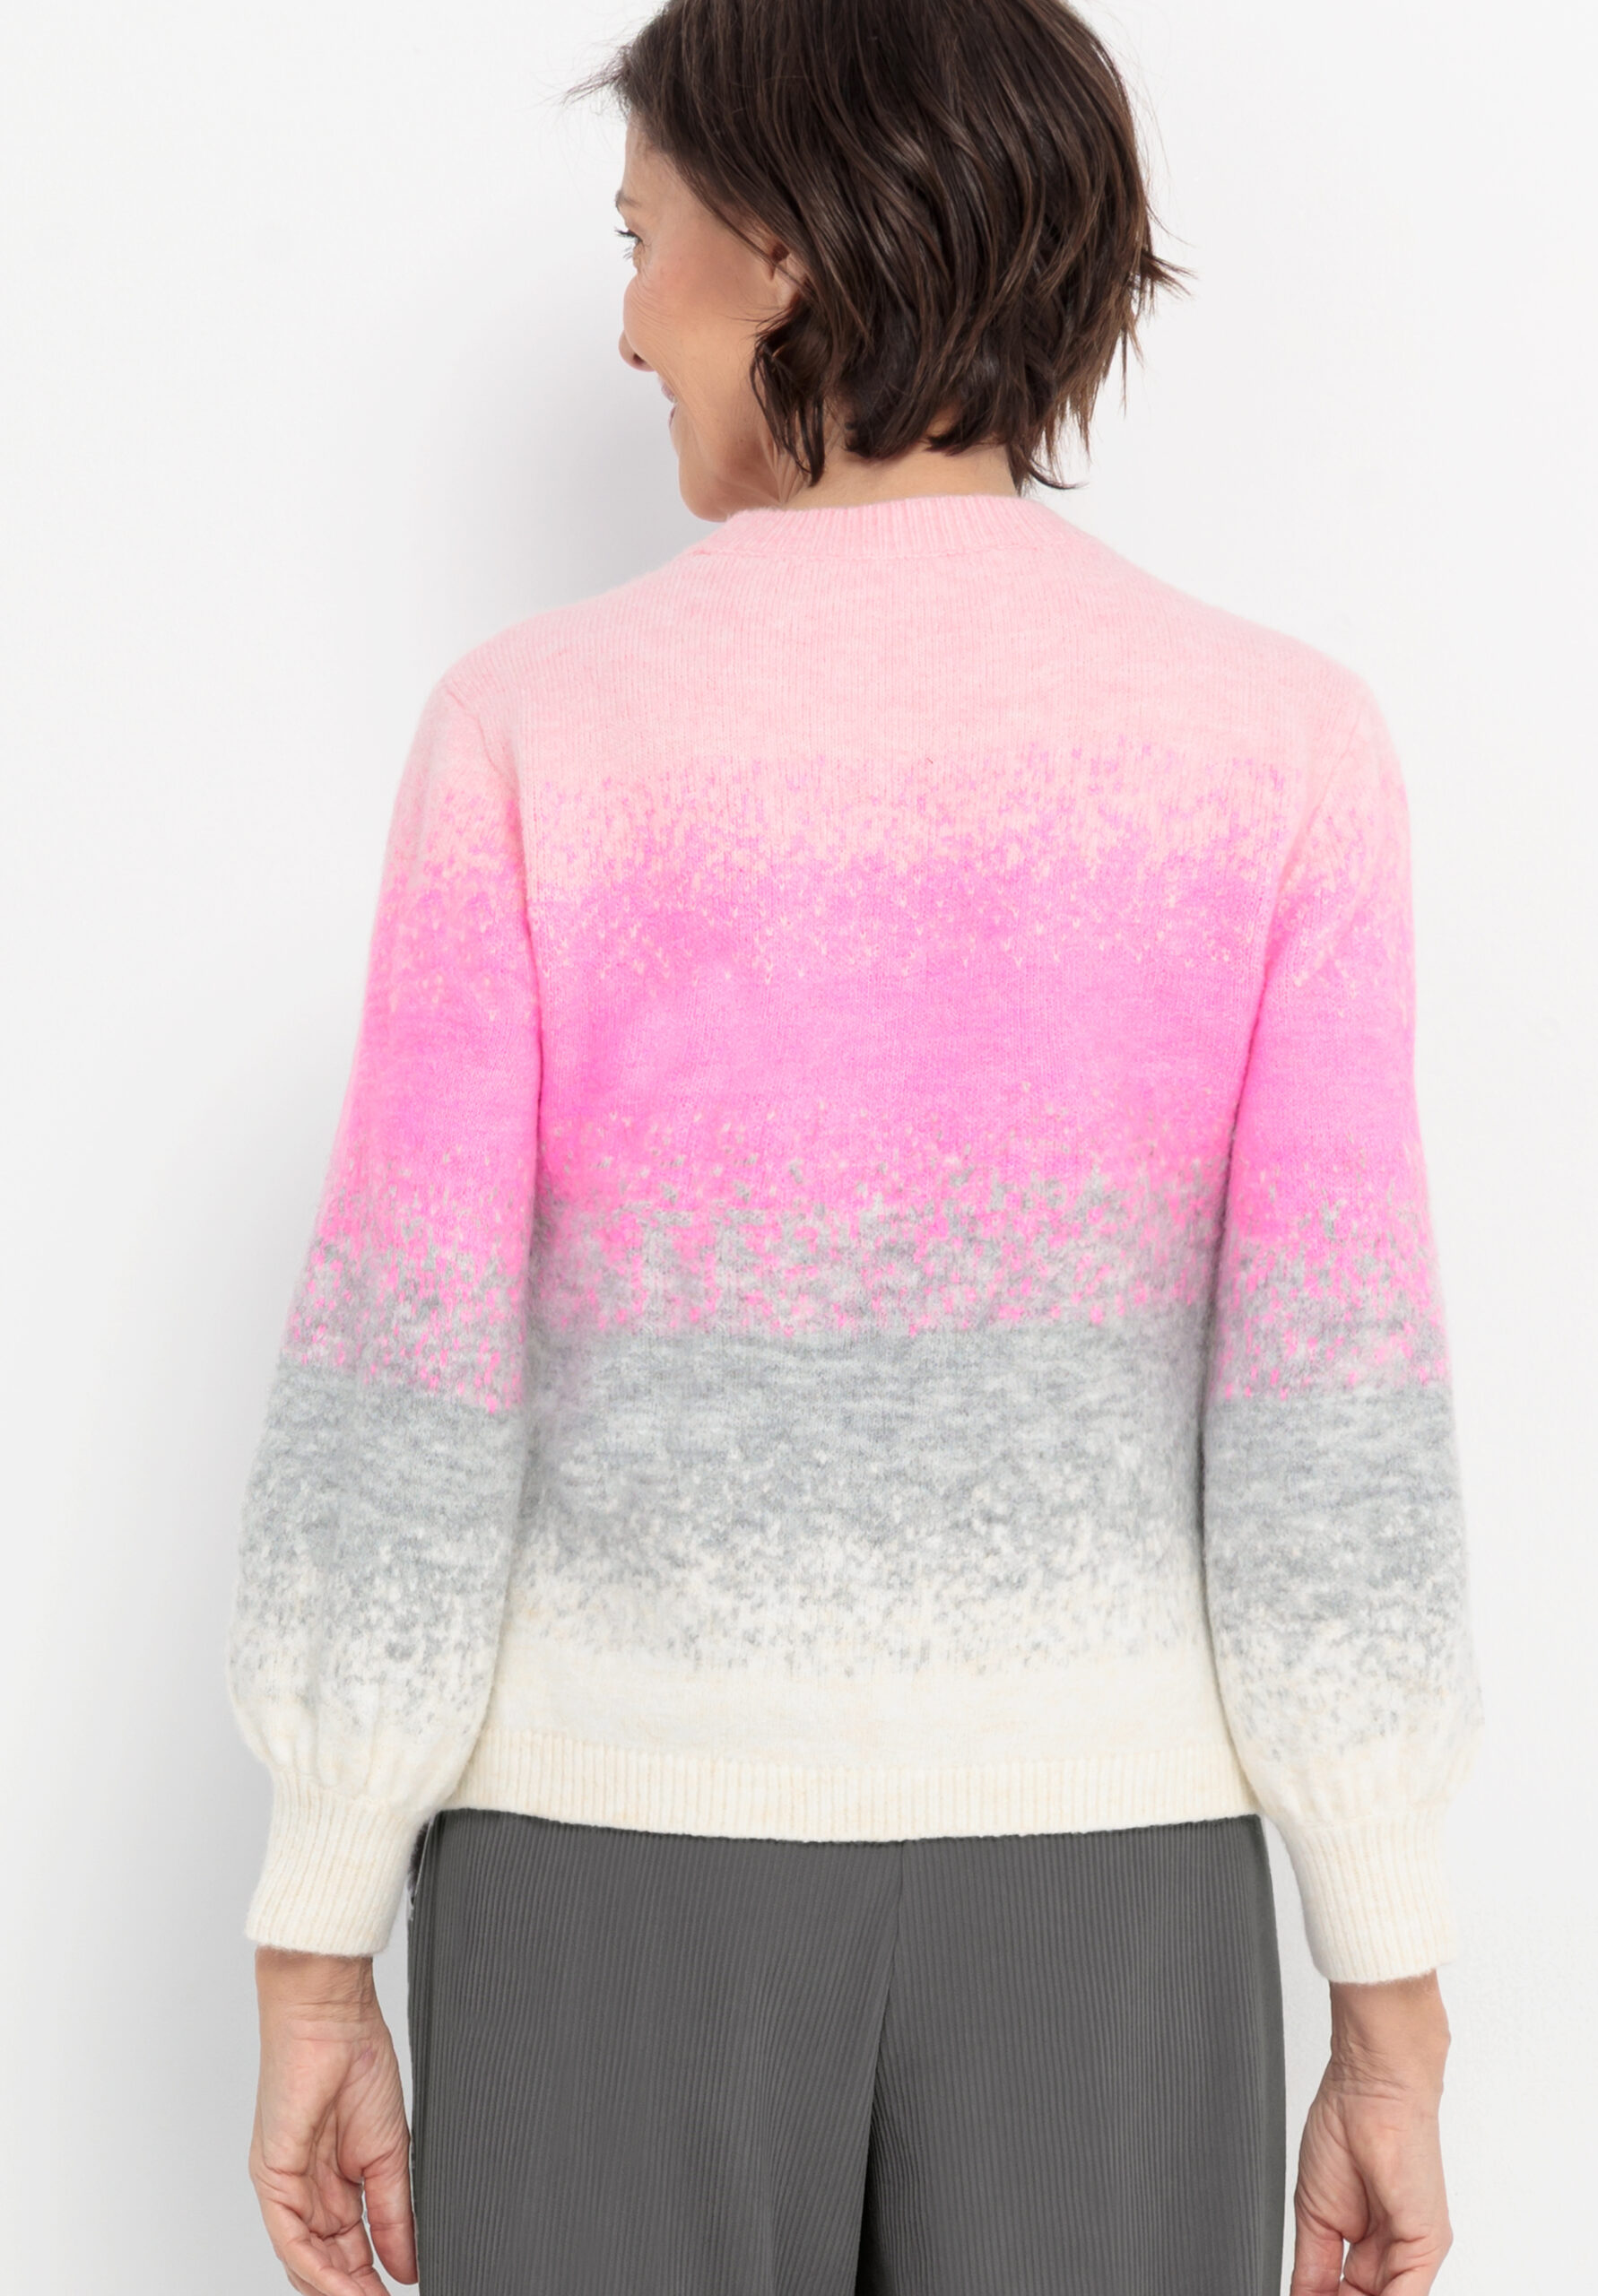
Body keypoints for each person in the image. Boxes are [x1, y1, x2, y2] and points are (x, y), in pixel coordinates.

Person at [230, 2, 1481, 2290]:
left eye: (644, 240)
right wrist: (1384, 1995)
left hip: (607, 1871)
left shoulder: (528, 731)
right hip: (1108, 1885)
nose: (629, 324)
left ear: (786, 246)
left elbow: (405, 1372)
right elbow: (1337, 1420)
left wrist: (319, 1934)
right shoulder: (1284, 746)